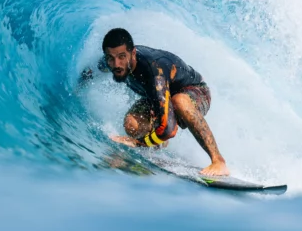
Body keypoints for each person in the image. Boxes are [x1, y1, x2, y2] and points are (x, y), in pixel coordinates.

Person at [81, 28, 229, 176]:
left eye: (122, 56)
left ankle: (218, 161)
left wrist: (138, 143)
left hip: (195, 92)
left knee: (179, 101)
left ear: (132, 53)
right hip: (159, 96)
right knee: (132, 124)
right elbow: (92, 71)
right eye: (110, 58)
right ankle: (157, 141)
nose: (116, 63)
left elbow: (170, 130)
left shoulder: (153, 70)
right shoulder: (111, 63)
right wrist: (79, 85)